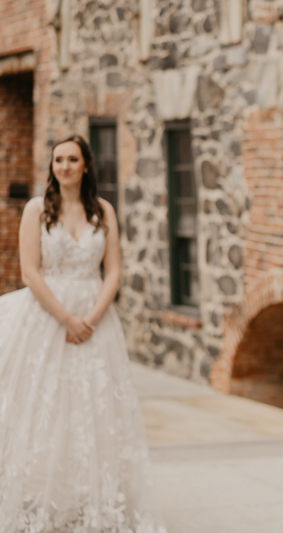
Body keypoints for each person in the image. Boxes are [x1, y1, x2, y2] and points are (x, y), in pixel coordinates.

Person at [0, 135, 167, 532]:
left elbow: (114, 271)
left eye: (73, 159)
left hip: (96, 321)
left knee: (94, 409)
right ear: (52, 166)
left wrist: (90, 317)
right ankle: (40, 498)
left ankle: (90, 498)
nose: (65, 166)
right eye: (59, 159)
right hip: (46, 317)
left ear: (86, 165)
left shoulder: (102, 211)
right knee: (46, 407)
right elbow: (29, 273)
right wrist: (66, 319)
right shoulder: (37, 210)